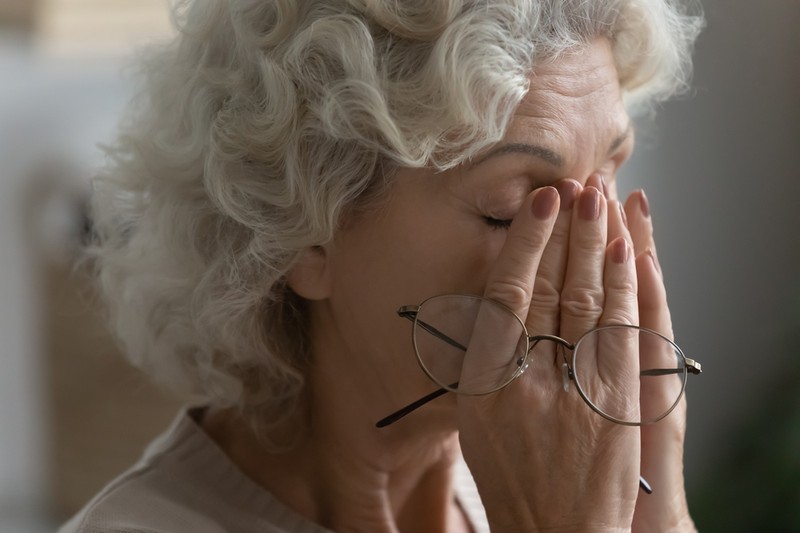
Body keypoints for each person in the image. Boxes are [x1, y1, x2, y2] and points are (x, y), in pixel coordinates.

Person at [60, 0, 704, 531]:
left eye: (607, 176)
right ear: (304, 231)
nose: (592, 255)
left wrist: (664, 519)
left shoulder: (557, 470)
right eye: (511, 210)